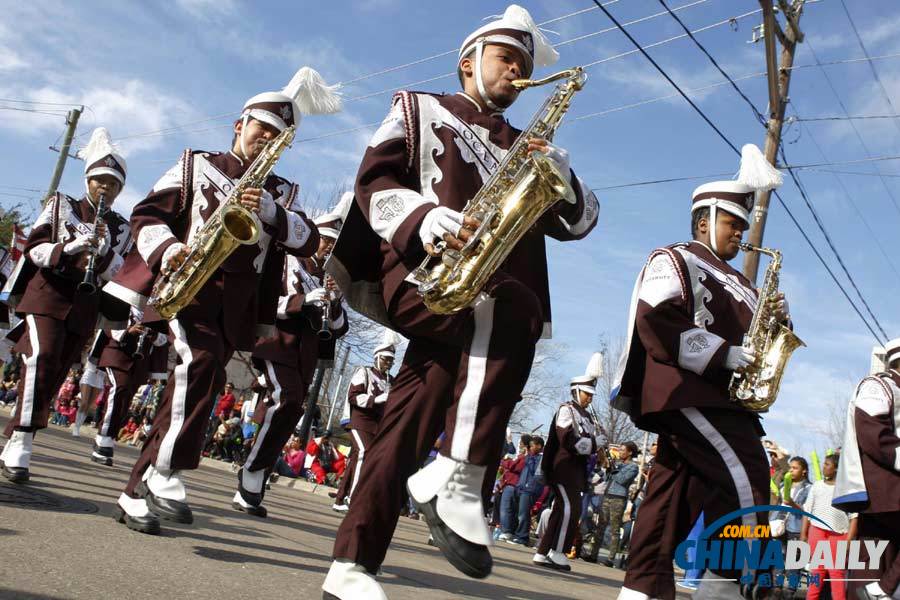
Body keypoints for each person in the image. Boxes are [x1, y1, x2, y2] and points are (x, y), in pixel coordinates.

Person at [322, 6, 599, 597]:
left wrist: (565, 177)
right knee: (512, 306)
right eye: (507, 59)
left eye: (525, 63)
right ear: (468, 62)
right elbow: (373, 180)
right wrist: (422, 219)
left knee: (403, 428)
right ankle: (457, 477)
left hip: (482, 312)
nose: (517, 72)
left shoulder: (530, 145)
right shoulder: (419, 107)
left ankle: (350, 566)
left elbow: (581, 224)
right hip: (431, 275)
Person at [101, 66, 338, 535]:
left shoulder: (281, 192)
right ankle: (166, 471)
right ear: (240, 125)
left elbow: (310, 241)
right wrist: (169, 249)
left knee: (191, 392)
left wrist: (271, 213)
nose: (265, 140)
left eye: (277, 137)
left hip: (237, 308)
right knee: (201, 367)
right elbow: (147, 214)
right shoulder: (196, 163)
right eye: (261, 130)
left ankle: (133, 491)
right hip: (187, 289)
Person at [610, 144, 790, 600]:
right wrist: (721, 354)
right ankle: (727, 583)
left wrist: (777, 320)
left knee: (673, 494)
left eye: (744, 226)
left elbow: (758, 343)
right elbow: (656, 317)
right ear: (704, 219)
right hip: (686, 390)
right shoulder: (676, 258)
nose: (741, 234)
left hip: (721, 397)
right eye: (733, 223)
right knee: (747, 470)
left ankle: (642, 589)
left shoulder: (745, 283)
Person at [0, 128, 132, 483]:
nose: (105, 188)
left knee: (54, 374)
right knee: (41, 360)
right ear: (88, 180)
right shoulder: (62, 206)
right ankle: (23, 443)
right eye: (100, 181)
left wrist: (103, 252)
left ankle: (16, 434)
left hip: (84, 307)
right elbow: (35, 248)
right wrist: (69, 249)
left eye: (113, 184)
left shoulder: (121, 228)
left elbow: (123, 271)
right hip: (47, 295)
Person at [234, 196, 351, 518]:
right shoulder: (287, 261)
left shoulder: (332, 280)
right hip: (276, 344)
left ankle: (255, 467)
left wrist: (335, 303)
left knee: (291, 409)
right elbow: (264, 302)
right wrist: (302, 301)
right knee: (284, 399)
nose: (328, 250)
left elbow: (340, 329)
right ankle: (253, 472)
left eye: (334, 246)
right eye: (326, 241)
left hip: (306, 357)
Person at [834, 339, 900, 600]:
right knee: (870, 562)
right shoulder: (878, 384)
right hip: (885, 490)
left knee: (871, 560)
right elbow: (873, 433)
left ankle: (878, 590)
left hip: (888, 495)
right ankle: (882, 589)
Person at [534, 354, 603, 572]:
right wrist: (593, 443)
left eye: (591, 395)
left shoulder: (588, 416)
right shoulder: (567, 410)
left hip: (575, 471)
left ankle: (542, 552)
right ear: (575, 391)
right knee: (571, 510)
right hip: (562, 468)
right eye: (586, 393)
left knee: (560, 510)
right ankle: (558, 551)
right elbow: (567, 440)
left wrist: (599, 446)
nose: (589, 398)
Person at [92, 307, 168, 466]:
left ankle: (108, 437)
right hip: (117, 355)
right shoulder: (124, 301)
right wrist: (129, 331)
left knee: (125, 402)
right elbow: (111, 324)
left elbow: (164, 340)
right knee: (119, 391)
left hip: (139, 363)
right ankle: (103, 439)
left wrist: (152, 333)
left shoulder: (157, 310)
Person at [332, 331, 398, 513]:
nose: (388, 363)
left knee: (356, 460)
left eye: (391, 360)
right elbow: (353, 396)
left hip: (378, 425)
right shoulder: (364, 372)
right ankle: (355, 500)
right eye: (385, 359)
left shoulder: (391, 381)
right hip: (360, 421)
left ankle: (339, 499)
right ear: (377, 357)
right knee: (364, 453)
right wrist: (376, 399)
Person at [802, 455, 854, 600]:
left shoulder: (846, 490)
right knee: (817, 573)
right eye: (824, 464)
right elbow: (806, 511)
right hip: (817, 531)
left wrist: (848, 541)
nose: (823, 466)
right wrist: (803, 534)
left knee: (836, 573)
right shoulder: (817, 486)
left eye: (827, 464)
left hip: (838, 535)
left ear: (836, 468)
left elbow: (854, 517)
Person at [584, 441, 640, 567]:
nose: (620, 452)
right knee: (600, 526)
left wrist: (614, 470)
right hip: (607, 494)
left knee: (615, 529)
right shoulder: (618, 464)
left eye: (622, 450)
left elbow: (622, 480)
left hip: (618, 498)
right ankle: (593, 554)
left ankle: (610, 558)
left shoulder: (633, 467)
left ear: (630, 452)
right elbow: (607, 478)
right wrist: (608, 468)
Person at [772, 456, 812, 599]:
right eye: (790, 467)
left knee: (794, 562)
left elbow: (808, 511)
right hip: (780, 525)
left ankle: (790, 591)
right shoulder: (784, 484)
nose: (791, 470)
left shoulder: (809, 488)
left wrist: (793, 504)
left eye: (795, 468)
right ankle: (777, 588)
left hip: (796, 527)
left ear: (804, 471)